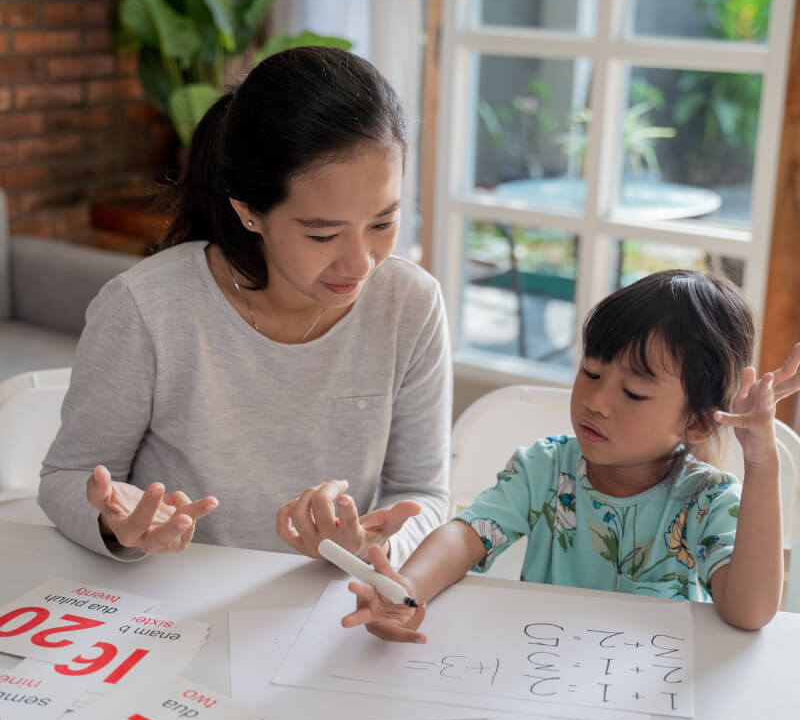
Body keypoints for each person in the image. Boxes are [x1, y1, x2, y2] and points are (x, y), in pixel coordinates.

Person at [39, 47, 452, 566]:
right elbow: (65, 479)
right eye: (323, 234)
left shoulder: (409, 303)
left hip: (325, 609)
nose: (361, 262)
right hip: (172, 602)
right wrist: (118, 525)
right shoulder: (147, 308)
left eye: (383, 223)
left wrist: (378, 543)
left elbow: (425, 492)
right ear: (248, 211)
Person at [341, 270, 800, 637]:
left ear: (697, 421)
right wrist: (408, 588)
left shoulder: (707, 501)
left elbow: (751, 613)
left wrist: (761, 460)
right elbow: (466, 536)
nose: (596, 401)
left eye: (634, 393)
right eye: (591, 372)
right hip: (540, 685)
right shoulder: (544, 469)